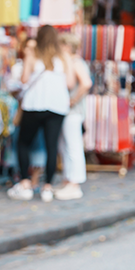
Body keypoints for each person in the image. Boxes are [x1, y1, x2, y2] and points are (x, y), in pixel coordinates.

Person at [7, 25, 75, 202]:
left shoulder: (33, 54)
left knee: (24, 142)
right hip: (57, 106)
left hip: (34, 104)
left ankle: (25, 183)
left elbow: (23, 79)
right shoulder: (63, 56)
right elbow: (70, 83)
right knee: (51, 145)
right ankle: (47, 187)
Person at [54, 33, 92, 200]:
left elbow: (86, 83)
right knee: (66, 146)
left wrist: (73, 100)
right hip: (70, 111)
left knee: (72, 146)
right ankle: (69, 180)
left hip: (73, 112)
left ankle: (74, 183)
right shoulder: (72, 62)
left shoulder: (75, 62)